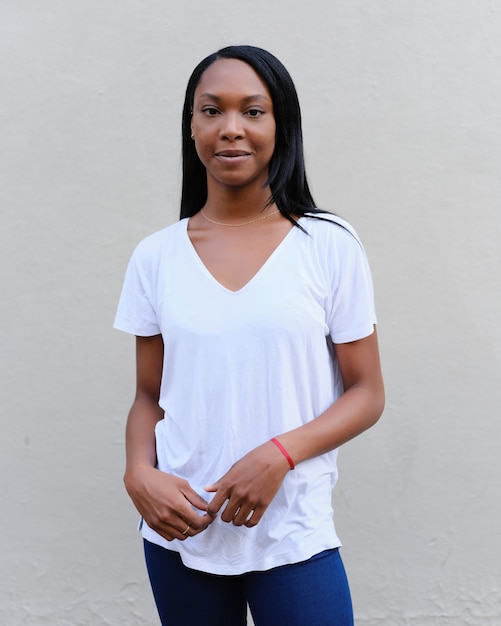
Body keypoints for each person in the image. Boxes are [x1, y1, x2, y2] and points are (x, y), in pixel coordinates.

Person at [114, 45, 385, 626]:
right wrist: (139, 473)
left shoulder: (328, 244)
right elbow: (148, 397)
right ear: (191, 126)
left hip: (292, 532)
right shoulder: (156, 256)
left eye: (253, 111)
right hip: (180, 534)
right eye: (212, 111)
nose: (231, 129)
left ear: (281, 124)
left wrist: (279, 455)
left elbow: (367, 393)